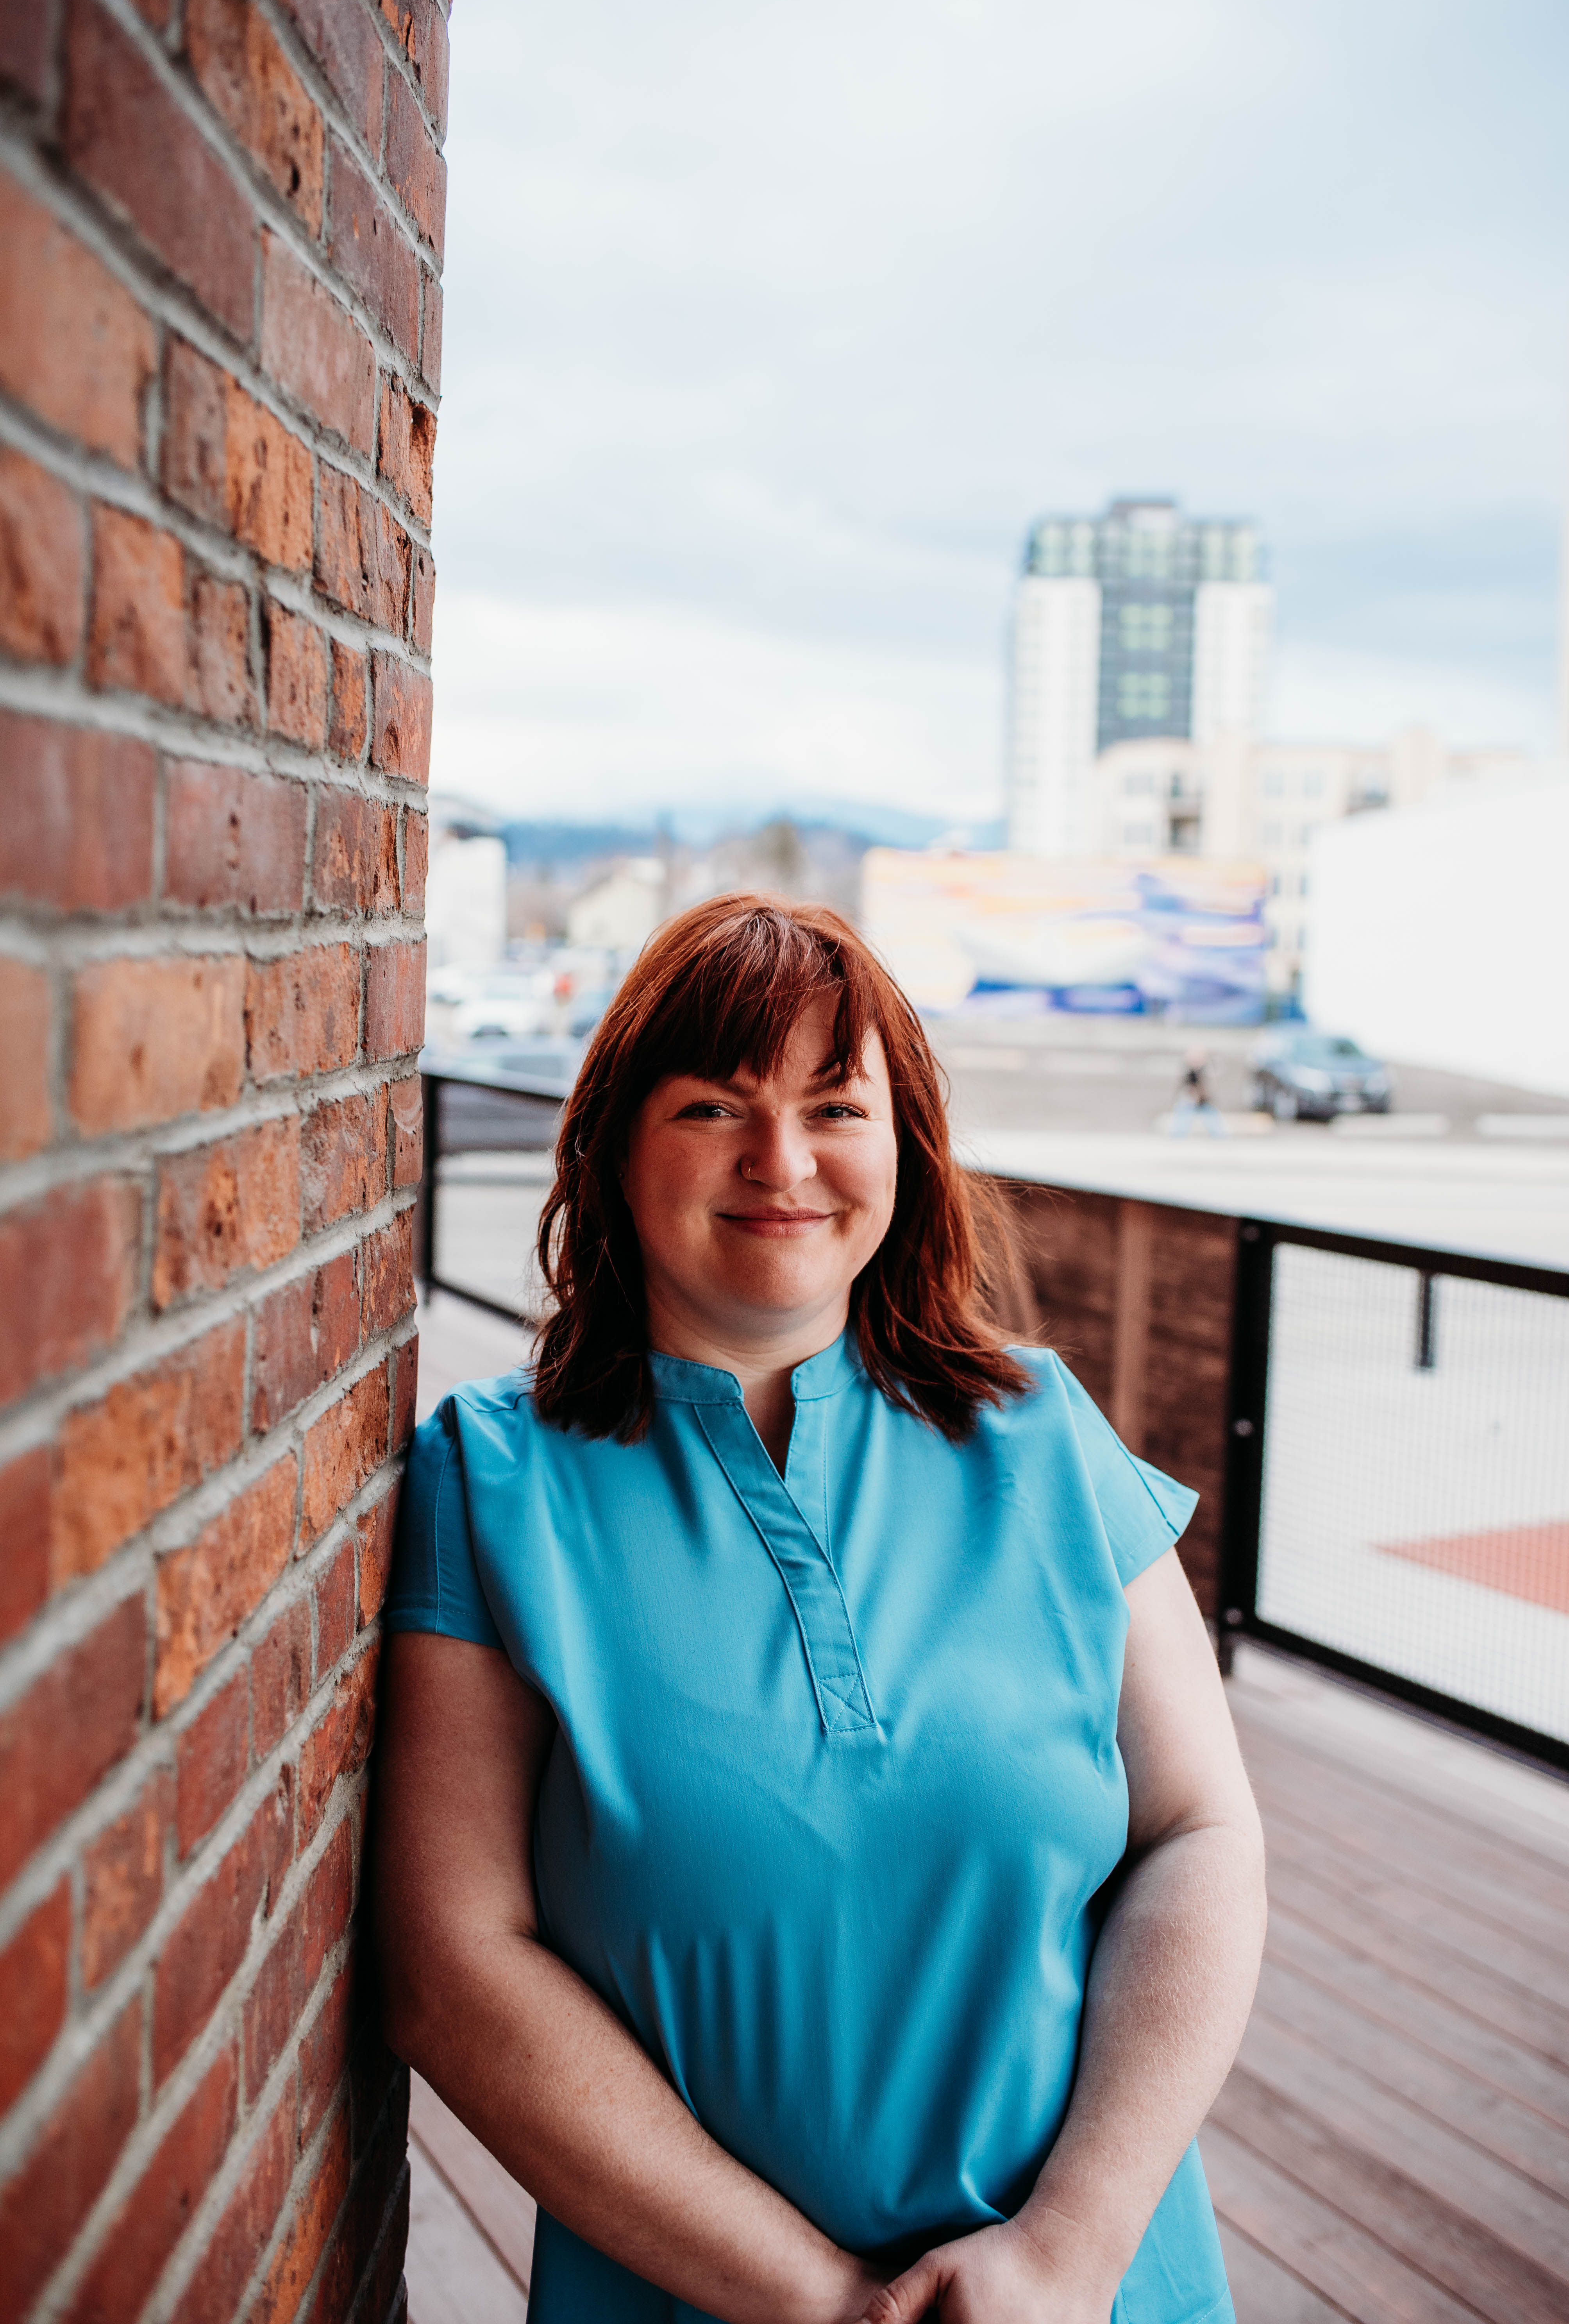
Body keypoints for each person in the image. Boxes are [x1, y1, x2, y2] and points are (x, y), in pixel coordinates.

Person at [376, 895, 1267, 2324]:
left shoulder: (1042, 1433)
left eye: (834, 1104)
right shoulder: (492, 1478)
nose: (780, 1159)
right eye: (715, 1103)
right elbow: (455, 1959)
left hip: (1092, 2286)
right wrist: (825, 2299)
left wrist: (1073, 2245)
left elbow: (1199, 1832)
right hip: (694, 2291)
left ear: (903, 1144)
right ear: (611, 1146)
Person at [1171, 1048, 1225, 1139]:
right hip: (1189, 1100)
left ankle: (1219, 1137)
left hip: (1204, 1100)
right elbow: (1180, 1087)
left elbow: (1210, 1088)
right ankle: (1177, 1137)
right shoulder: (1187, 1071)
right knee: (1183, 1114)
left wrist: (1202, 1095)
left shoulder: (1207, 1071)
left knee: (1212, 1117)